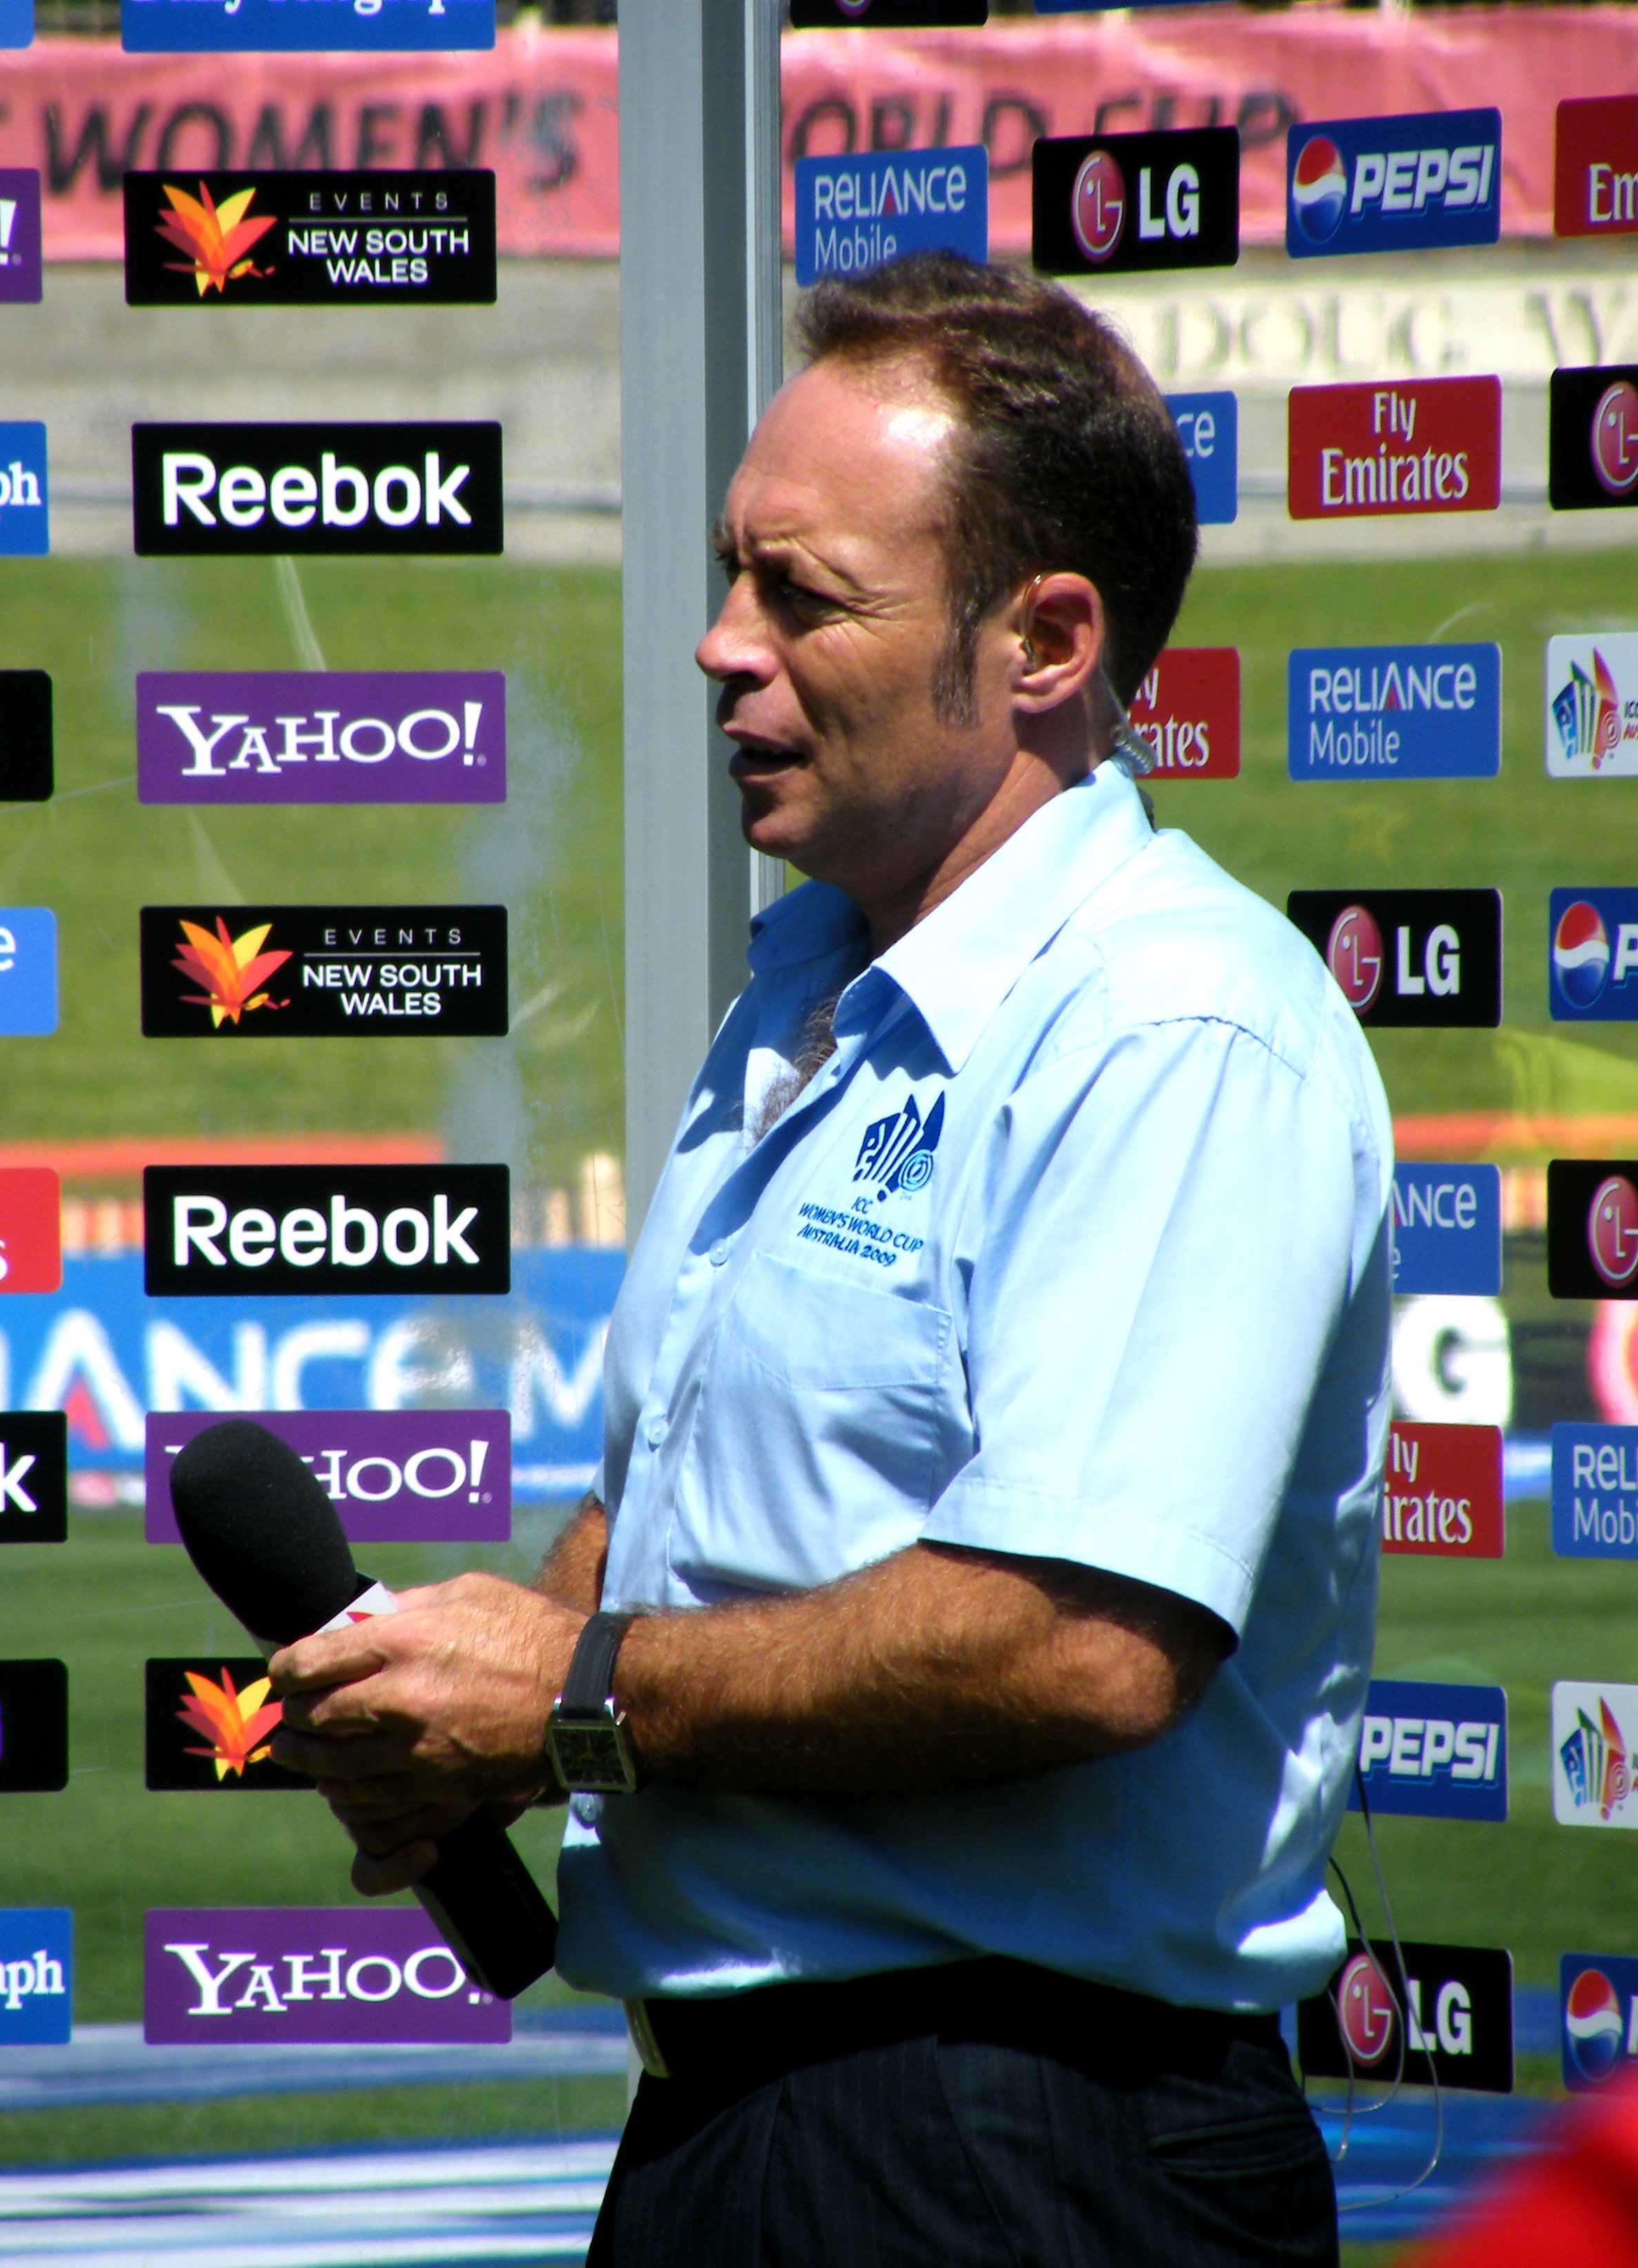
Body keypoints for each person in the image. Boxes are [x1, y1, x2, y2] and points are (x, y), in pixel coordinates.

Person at [270, 253, 1393, 2267]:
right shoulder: (810, 978)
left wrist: (575, 1700)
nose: (723, 644)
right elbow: (694, 1503)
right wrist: (467, 1697)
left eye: (803, 594)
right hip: (746, 2126)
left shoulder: (1172, 1022)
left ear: (1045, 640)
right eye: (731, 575)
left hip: (1022, 2149)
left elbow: (1083, 1635)